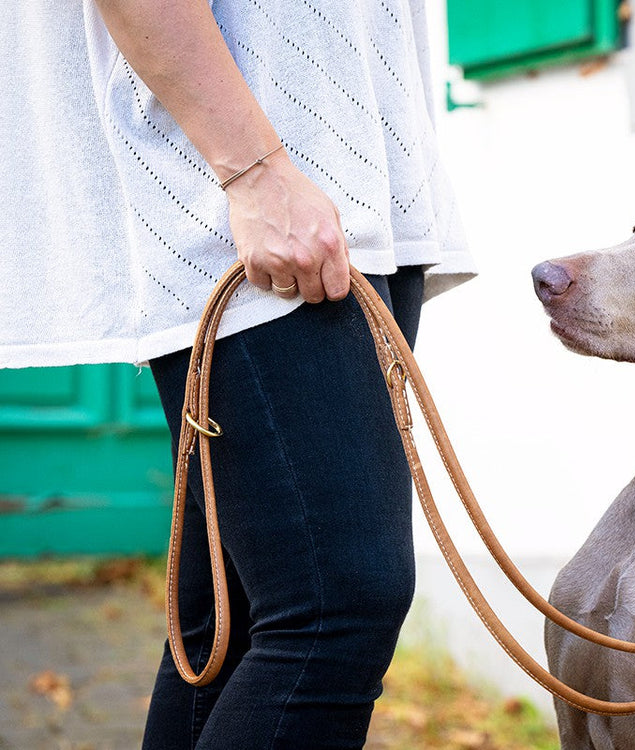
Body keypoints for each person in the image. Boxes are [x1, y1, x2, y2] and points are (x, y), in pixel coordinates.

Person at [1, 1, 474, 747]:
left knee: (229, 625)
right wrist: (253, 171)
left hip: (351, 187)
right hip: (251, 189)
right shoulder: (256, 179)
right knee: (336, 606)